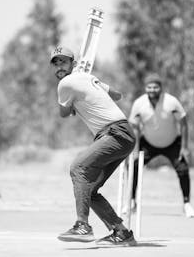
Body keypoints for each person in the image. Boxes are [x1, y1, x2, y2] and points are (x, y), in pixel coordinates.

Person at [50, 46, 137, 246]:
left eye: (63, 61)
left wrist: (73, 103)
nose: (59, 66)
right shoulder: (88, 79)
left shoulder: (65, 84)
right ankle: (121, 232)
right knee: (89, 189)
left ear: (73, 62)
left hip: (114, 133)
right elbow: (117, 95)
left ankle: (82, 225)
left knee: (78, 168)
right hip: (121, 134)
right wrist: (92, 86)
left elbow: (63, 114)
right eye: (55, 63)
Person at [128, 73, 194, 217]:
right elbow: (134, 127)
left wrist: (184, 147)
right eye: (149, 87)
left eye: (155, 87)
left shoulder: (172, 102)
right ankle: (132, 202)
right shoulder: (139, 103)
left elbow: (183, 124)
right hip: (148, 143)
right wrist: (135, 149)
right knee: (133, 167)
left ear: (160, 88)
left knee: (183, 169)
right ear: (145, 88)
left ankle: (187, 204)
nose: (152, 90)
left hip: (172, 142)